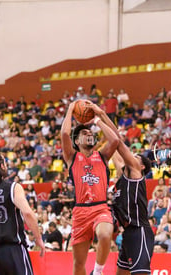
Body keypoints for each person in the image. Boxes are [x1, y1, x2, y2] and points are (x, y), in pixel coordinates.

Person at [61, 100, 119, 275]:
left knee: (105, 234)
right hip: (80, 212)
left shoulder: (102, 156)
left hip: (100, 207)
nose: (88, 134)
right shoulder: (72, 157)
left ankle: (98, 271)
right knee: (78, 265)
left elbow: (115, 138)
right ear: (77, 141)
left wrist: (98, 118)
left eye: (90, 133)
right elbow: (64, 134)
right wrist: (71, 108)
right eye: (84, 133)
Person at [102, 108, 154, 274]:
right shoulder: (121, 173)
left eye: (135, 157)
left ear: (142, 166)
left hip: (140, 232)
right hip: (127, 234)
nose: (131, 156)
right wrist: (102, 119)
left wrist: (100, 117)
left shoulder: (136, 174)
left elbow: (118, 142)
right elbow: (114, 142)